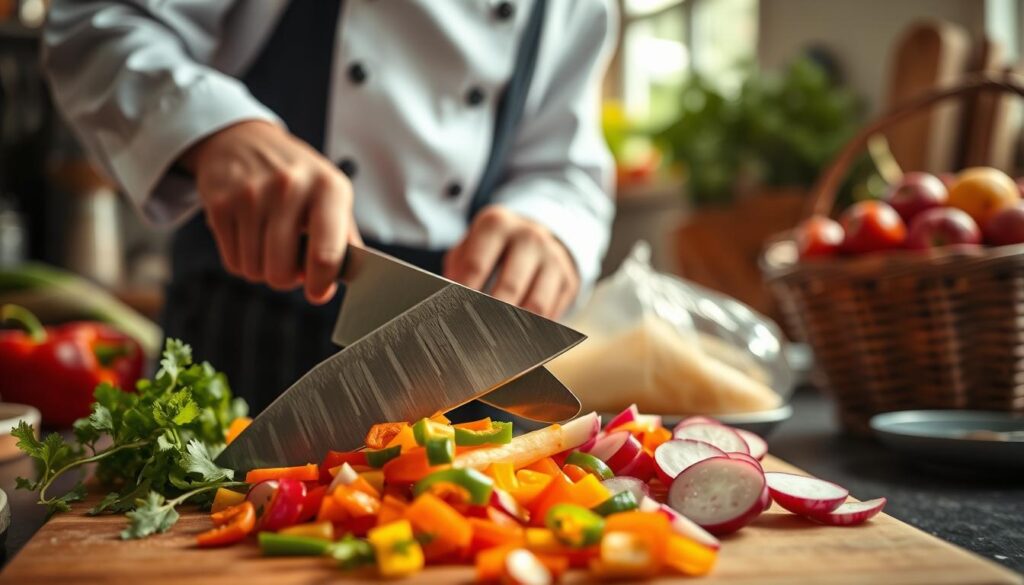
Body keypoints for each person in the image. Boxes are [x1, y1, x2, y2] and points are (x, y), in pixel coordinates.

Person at [42, 1, 617, 413]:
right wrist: (213, 128)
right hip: (248, 328)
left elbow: (566, 164)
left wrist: (550, 225)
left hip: (464, 350)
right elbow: (98, 22)